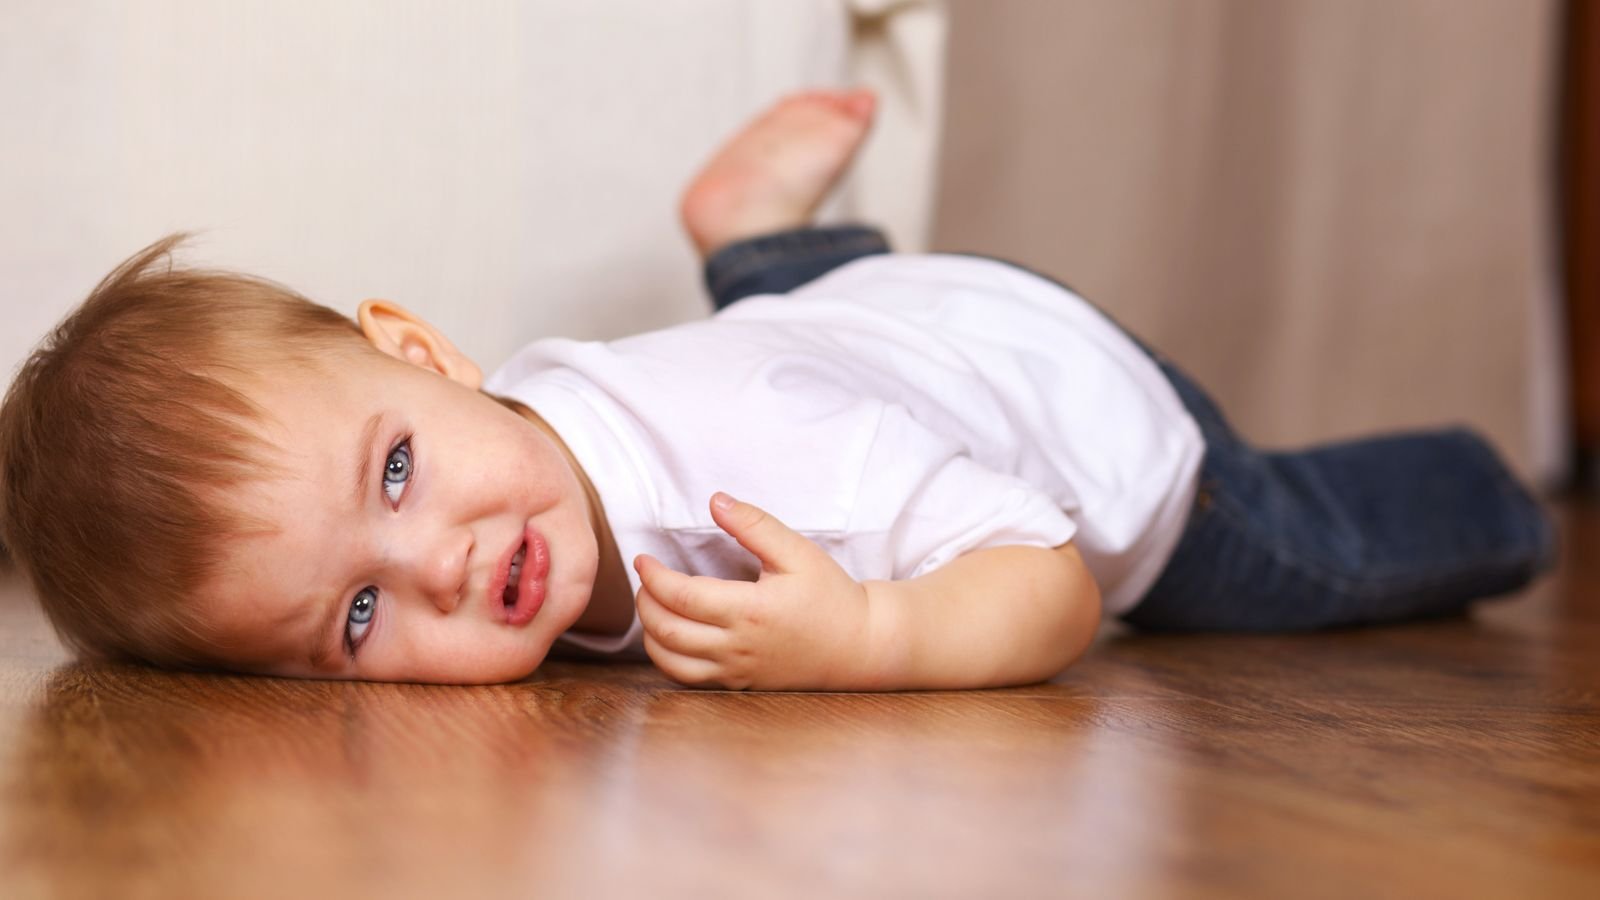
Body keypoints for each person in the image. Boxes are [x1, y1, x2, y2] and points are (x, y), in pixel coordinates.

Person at [0, 89, 1557, 691]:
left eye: (395, 476)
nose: (441, 566)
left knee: (1305, 547)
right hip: (867, 332)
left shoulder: (761, 468)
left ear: (422, 353)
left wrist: (873, 632)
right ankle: (763, 243)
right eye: (356, 619)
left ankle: (1501, 494)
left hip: (1077, 412)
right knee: (798, 326)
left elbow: (1052, 576)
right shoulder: (523, 425)